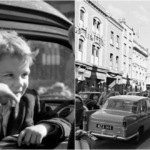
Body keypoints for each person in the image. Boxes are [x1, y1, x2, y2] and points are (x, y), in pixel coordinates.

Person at [0, 30, 71, 147]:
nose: (19, 84)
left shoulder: (30, 99)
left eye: (24, 75)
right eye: (9, 75)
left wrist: (44, 127)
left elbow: (64, 124)